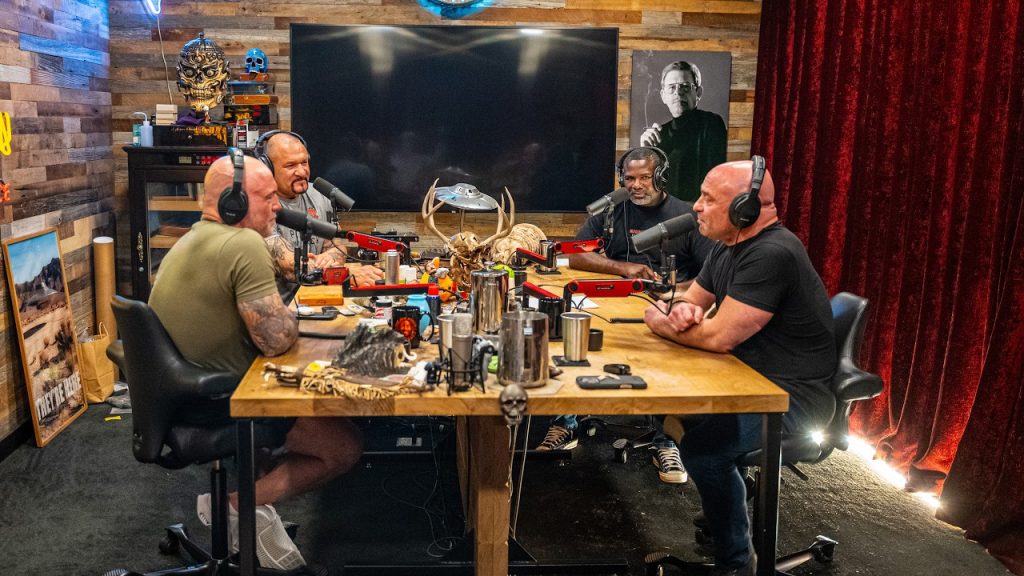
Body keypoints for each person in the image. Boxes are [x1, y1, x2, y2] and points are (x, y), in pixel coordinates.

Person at [149, 153, 364, 570]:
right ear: (235, 203)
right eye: (267, 198)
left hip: (181, 396)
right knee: (344, 446)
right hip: (217, 403)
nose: (278, 207)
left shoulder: (194, 238)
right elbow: (276, 339)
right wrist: (294, 321)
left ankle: (249, 511)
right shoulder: (243, 243)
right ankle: (235, 506)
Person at [642, 159, 836, 576]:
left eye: (708, 199)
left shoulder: (772, 253)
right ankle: (733, 494)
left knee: (704, 452)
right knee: (664, 408)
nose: (696, 207)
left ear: (744, 210)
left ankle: (737, 565)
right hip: (746, 380)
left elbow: (717, 338)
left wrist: (661, 321)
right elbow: (690, 301)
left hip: (790, 399)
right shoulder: (727, 246)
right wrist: (679, 312)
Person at [535, 147, 714, 486]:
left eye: (645, 177)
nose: (636, 185)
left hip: (668, 307)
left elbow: (714, 275)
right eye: (629, 178)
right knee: (570, 333)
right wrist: (623, 267)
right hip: (614, 302)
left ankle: (666, 441)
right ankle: (565, 422)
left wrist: (674, 291)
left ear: (660, 176)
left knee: (668, 359)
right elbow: (577, 254)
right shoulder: (611, 211)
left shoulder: (686, 217)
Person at [258, 130, 384, 289]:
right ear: (267, 168)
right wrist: (347, 274)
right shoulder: (258, 206)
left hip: (317, 293)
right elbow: (289, 266)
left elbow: (337, 247)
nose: (302, 171)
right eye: (290, 165)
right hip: (282, 302)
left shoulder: (320, 195)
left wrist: (329, 258)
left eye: (304, 162)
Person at [640, 61, 727, 203]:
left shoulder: (711, 123)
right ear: (663, 96)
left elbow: (716, 181)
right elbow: (647, 188)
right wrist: (645, 151)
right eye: (671, 88)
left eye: (685, 87)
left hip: (697, 211)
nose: (678, 92)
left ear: (698, 93)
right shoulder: (660, 134)